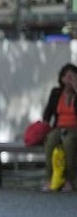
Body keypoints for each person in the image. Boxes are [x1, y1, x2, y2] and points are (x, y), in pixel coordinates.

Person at [42, 63, 77, 192]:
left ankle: (69, 180)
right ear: (62, 79)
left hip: (74, 129)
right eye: (67, 77)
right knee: (50, 142)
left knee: (69, 144)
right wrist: (45, 123)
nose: (69, 80)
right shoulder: (56, 92)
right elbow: (48, 112)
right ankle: (49, 179)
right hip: (59, 127)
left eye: (72, 77)